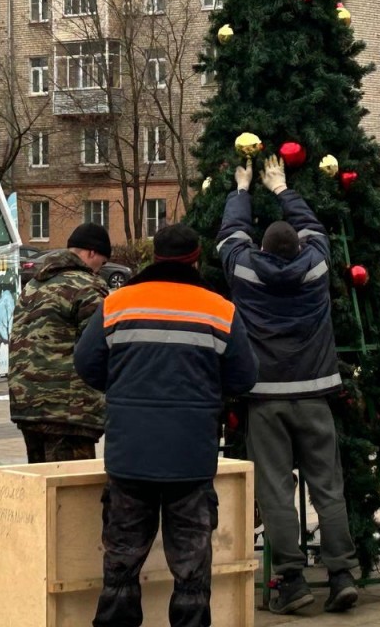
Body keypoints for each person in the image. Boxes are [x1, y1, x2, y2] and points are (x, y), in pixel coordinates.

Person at [74, 224, 259, 627]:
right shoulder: (219, 309)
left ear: (154, 256)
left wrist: (124, 392)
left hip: (130, 452)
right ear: (195, 260)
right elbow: (244, 376)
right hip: (190, 456)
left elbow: (86, 363)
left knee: (121, 560)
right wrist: (206, 394)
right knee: (191, 563)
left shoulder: (117, 303)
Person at [216, 155, 359, 615]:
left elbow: (229, 236)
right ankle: (341, 575)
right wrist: (281, 187)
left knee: (275, 490)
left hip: (264, 399)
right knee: (328, 487)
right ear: (298, 247)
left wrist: (242, 189)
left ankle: (292, 582)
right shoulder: (315, 267)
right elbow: (314, 227)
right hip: (315, 393)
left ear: (260, 247)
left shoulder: (244, 270)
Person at [7, 222, 110, 463]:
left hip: (26, 404)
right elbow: (100, 346)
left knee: (41, 480)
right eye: (102, 262)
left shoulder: (33, 286)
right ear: (91, 252)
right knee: (71, 483)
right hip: (68, 409)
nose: (100, 269)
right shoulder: (87, 286)